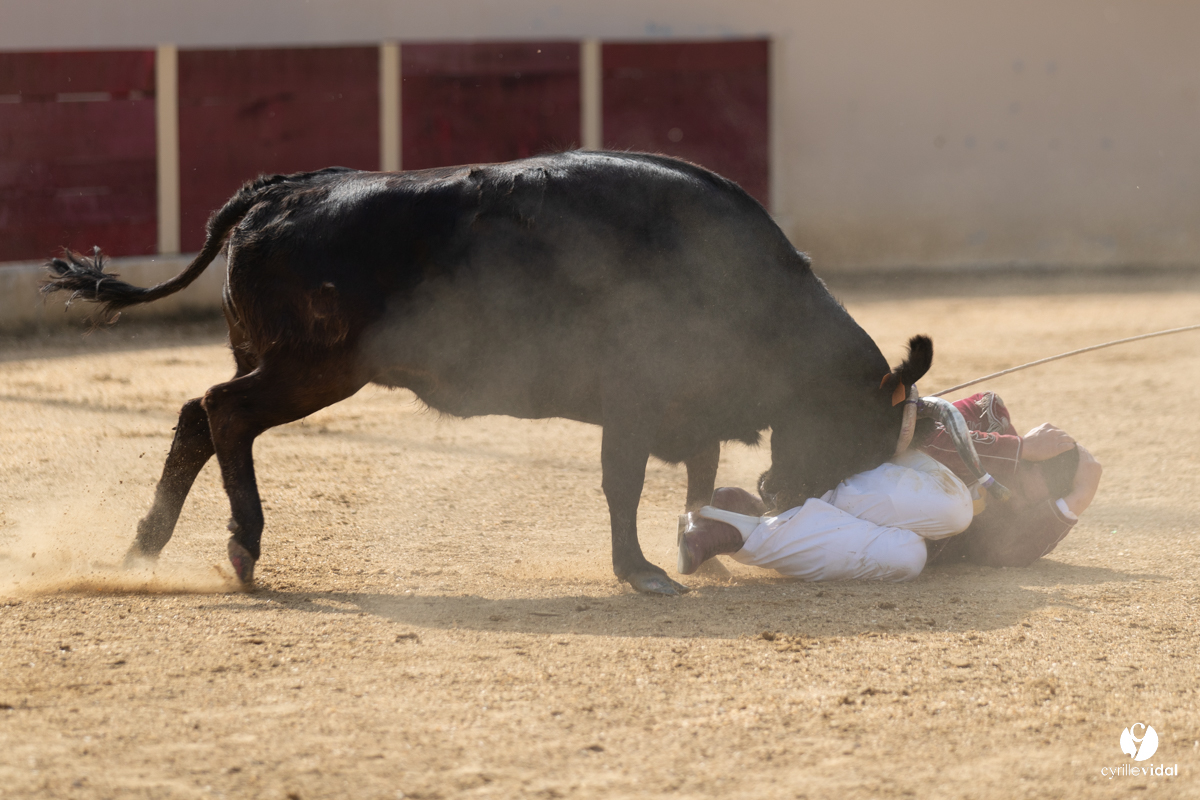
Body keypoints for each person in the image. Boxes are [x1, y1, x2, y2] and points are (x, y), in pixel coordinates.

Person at [677, 392, 1103, 581]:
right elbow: (929, 435)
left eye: (1040, 501)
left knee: (907, 559)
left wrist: (1077, 502)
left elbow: (1007, 554)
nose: (1023, 498)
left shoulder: (1018, 519)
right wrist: (1020, 448)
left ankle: (742, 530)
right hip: (848, 474)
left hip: (874, 521)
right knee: (954, 509)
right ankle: (796, 505)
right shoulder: (990, 413)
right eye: (1031, 482)